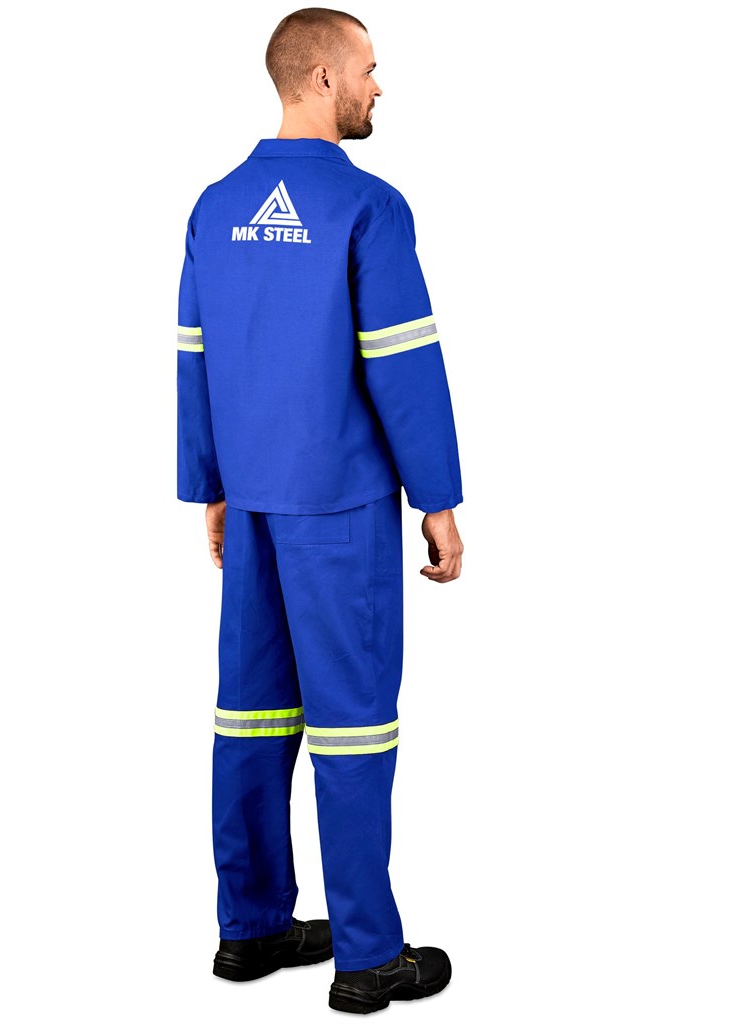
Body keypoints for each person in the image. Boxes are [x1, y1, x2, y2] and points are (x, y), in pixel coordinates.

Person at [176, 7, 463, 1014]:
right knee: (353, 726)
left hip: (253, 501)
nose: (380, 86)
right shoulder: (367, 207)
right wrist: (439, 499)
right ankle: (368, 956)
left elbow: (194, 355)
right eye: (369, 69)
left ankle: (251, 927)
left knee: (250, 715)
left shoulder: (216, 206)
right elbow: (404, 363)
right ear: (324, 78)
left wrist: (210, 485)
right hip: (338, 507)